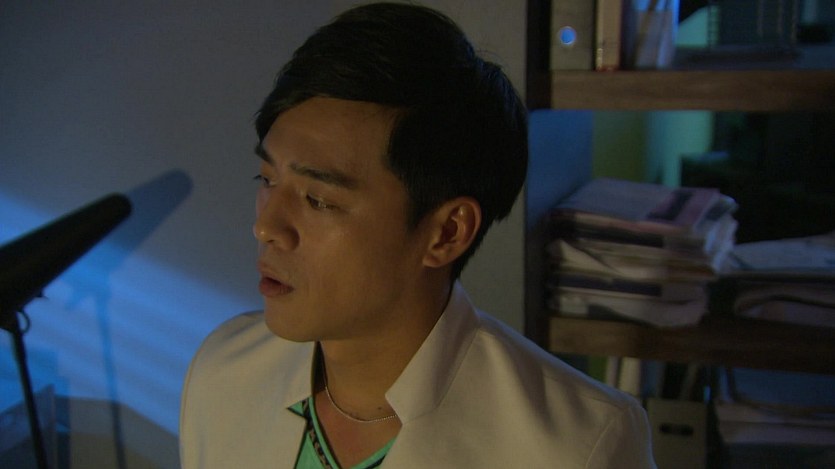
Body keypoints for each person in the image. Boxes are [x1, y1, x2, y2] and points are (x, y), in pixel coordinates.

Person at [179, 3, 656, 468]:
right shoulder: (224, 374)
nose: (267, 227)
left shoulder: (579, 446)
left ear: (446, 233)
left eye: (318, 200)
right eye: (267, 180)